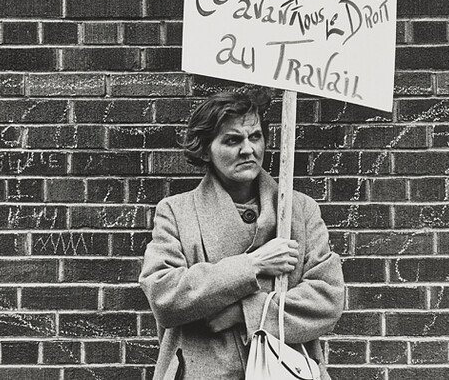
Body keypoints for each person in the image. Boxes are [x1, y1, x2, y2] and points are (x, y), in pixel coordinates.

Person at [139, 90, 345, 379]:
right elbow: (165, 296)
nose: (248, 149)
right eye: (233, 140)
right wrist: (252, 266)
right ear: (204, 149)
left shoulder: (300, 210)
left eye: (255, 137)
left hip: (283, 372)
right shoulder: (176, 212)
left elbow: (327, 299)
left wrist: (247, 312)